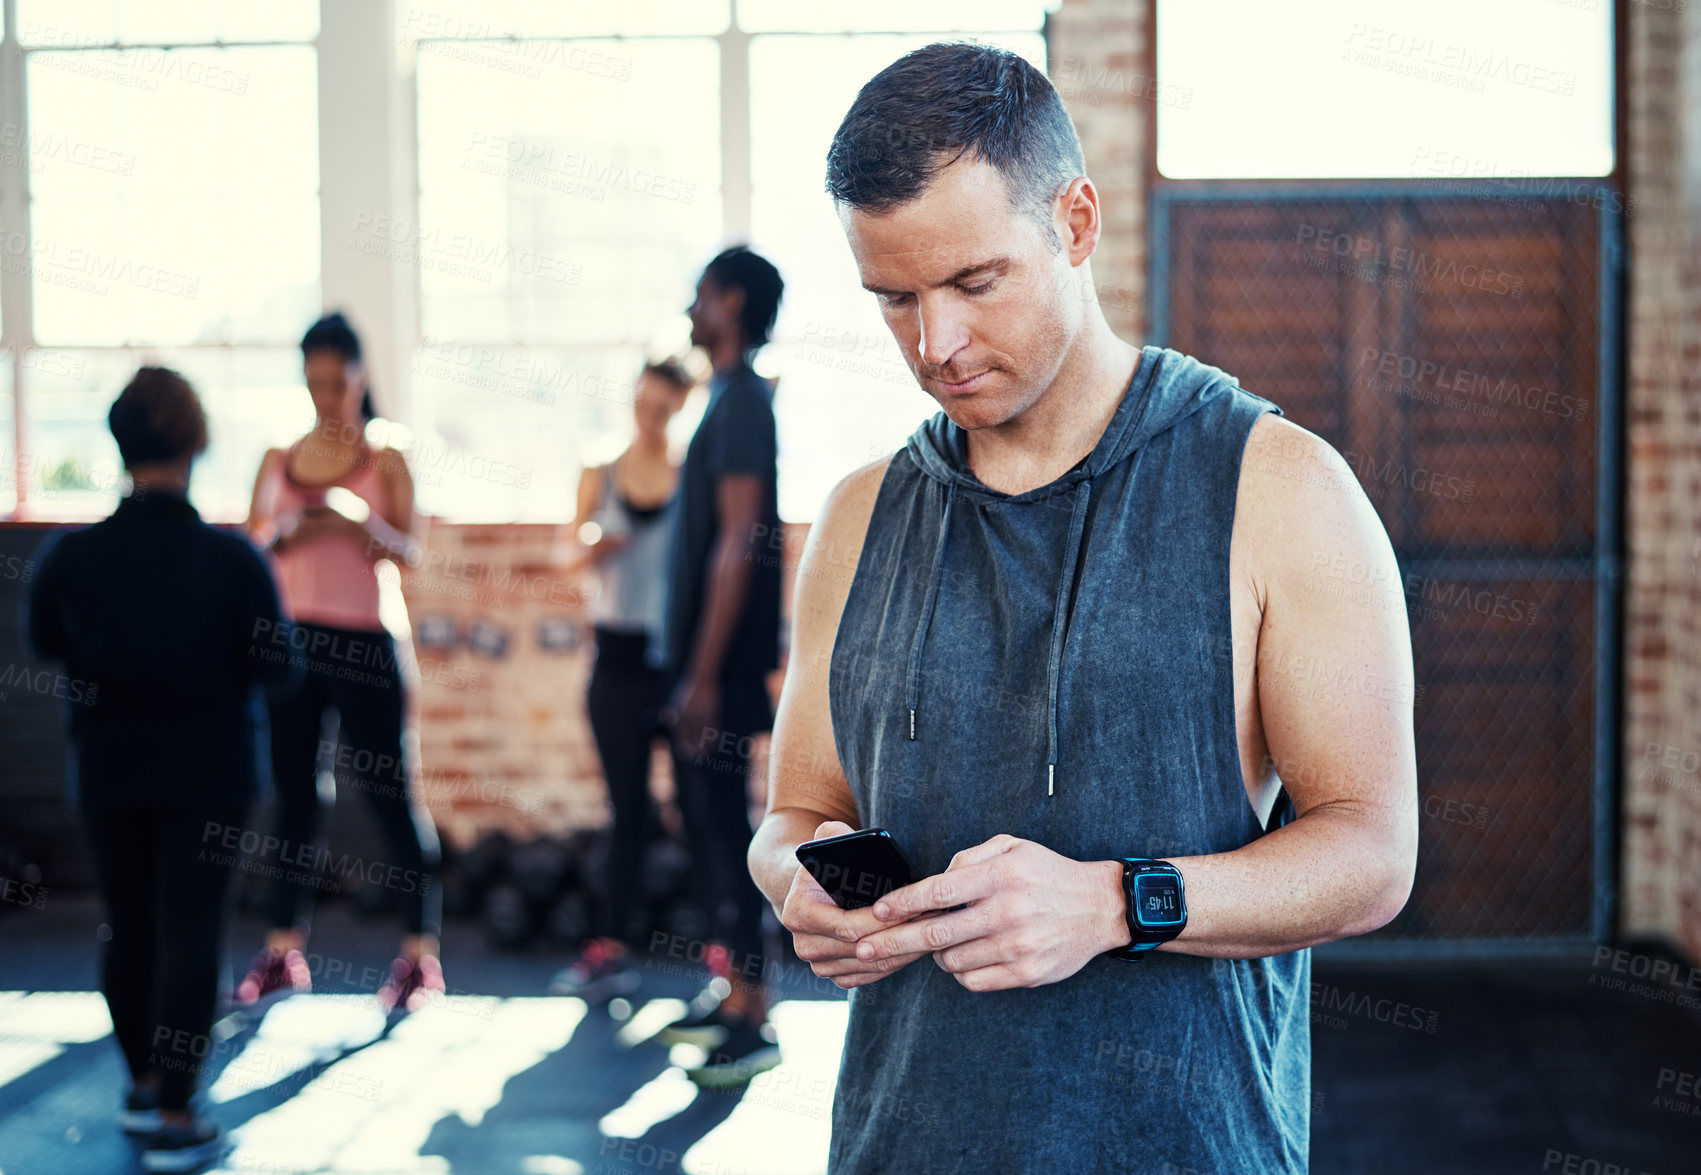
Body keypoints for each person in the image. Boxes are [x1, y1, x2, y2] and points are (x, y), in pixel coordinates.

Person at [748, 43, 1419, 1174]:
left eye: (972, 283)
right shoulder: (858, 516)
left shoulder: (1281, 487)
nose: (935, 345)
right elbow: (795, 814)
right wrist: (800, 889)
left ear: (1075, 221)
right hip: (900, 1145)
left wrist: (1120, 903)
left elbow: (1373, 849)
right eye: (894, 299)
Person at [24, 367, 296, 1171]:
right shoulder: (233, 560)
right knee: (189, 931)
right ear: (195, 443)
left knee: (129, 921)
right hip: (208, 772)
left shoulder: (70, 557)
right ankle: (178, 1109)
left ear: (119, 441)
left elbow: (43, 641)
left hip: (109, 768)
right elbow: (278, 667)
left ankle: (144, 1082)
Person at [239, 312, 444, 1014]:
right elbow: (252, 547)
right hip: (296, 644)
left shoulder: (386, 453)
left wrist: (356, 521)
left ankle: (420, 955)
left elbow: (411, 552)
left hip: (365, 644)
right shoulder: (278, 455)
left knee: (390, 796)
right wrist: (288, 531)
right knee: (296, 797)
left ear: (360, 375)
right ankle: (280, 950)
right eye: (315, 381)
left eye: (339, 380)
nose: (328, 394)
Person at [653, 247, 787, 1087]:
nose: (690, 309)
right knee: (706, 828)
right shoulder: (725, 400)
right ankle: (735, 993)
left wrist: (702, 675)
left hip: (723, 670)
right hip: (706, 664)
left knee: (727, 831)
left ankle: (758, 1014)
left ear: (729, 301)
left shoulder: (741, 402)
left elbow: (739, 540)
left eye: (700, 295)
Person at [548, 360, 693, 1002]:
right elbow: (567, 553)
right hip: (615, 661)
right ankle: (609, 947)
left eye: (663, 409)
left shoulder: (693, 475)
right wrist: (593, 542)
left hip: (676, 664)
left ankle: (722, 950)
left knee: (698, 807)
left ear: (681, 409)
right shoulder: (600, 469)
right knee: (626, 811)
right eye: (643, 405)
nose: (650, 418)